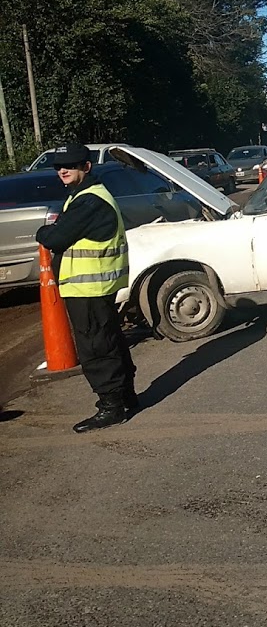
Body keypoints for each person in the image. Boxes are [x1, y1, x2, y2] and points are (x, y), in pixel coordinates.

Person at [35, 142, 136, 432]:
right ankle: (126, 397)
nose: (63, 170)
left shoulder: (89, 201)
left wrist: (43, 231)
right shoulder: (85, 196)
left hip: (88, 289)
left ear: (86, 167)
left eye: (70, 166)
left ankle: (111, 406)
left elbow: (54, 237)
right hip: (95, 286)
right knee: (110, 339)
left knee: (96, 348)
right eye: (58, 167)